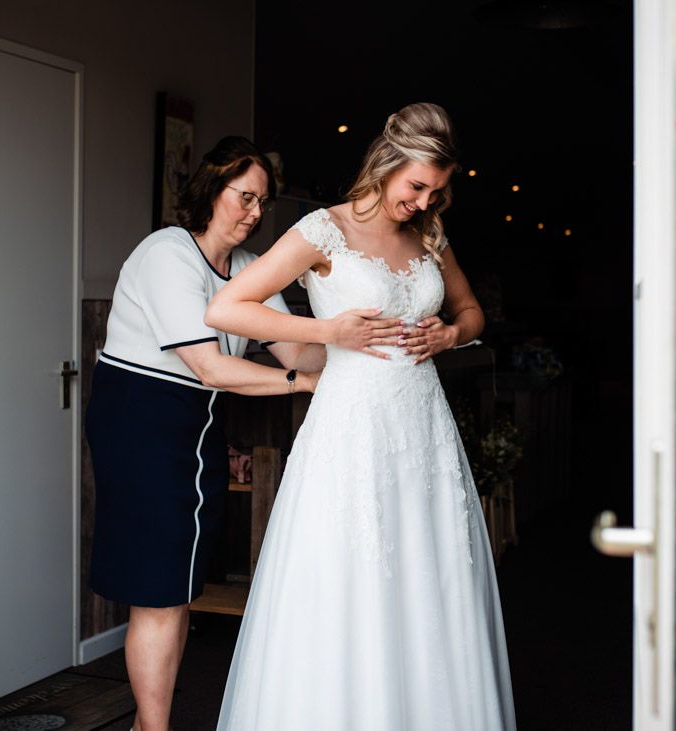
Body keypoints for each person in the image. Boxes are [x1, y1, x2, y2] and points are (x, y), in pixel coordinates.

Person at [205, 104, 516, 730]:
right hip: (352, 427)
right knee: (353, 571)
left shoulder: (430, 236)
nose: (424, 201)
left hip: (424, 431)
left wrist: (450, 334)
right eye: (417, 186)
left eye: (436, 191)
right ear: (387, 164)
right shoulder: (324, 230)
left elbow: (472, 313)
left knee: (428, 573)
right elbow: (228, 308)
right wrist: (329, 331)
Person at [85, 135, 401, 731]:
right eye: (245, 197)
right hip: (140, 422)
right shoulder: (167, 254)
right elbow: (210, 367)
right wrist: (303, 383)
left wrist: (369, 331)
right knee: (158, 588)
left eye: (263, 202)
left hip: (197, 423)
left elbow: (298, 352)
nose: (255, 212)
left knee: (178, 586)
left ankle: (149, 724)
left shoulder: (250, 268)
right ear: (212, 189)